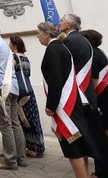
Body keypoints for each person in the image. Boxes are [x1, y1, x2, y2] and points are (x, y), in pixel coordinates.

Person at [59, 14, 108, 178]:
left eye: (62, 20)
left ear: (69, 24)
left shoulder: (70, 41)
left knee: (96, 138)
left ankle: (107, 172)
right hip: (87, 96)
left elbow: (66, 69)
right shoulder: (80, 39)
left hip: (80, 96)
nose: (60, 22)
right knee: (97, 137)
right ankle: (107, 171)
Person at [38, 21, 96, 178]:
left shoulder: (53, 49)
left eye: (39, 33)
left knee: (73, 146)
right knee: (78, 144)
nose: (37, 36)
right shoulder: (61, 47)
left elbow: (56, 79)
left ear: (47, 34)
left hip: (65, 105)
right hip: (71, 101)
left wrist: (51, 104)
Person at [0, 20, 27, 170]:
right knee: (14, 123)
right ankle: (21, 158)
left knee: (5, 125)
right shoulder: (3, 44)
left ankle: (10, 161)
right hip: (12, 87)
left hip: (2, 89)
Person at [81, 29, 108, 170]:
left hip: (100, 92)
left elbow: (93, 79)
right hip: (106, 89)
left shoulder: (92, 54)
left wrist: (90, 96)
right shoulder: (100, 52)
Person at [9, 34, 45, 157]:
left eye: (10, 44)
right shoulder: (25, 58)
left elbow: (10, 73)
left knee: (20, 119)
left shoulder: (14, 58)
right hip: (29, 91)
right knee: (33, 118)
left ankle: (24, 147)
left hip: (19, 92)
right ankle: (37, 146)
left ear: (14, 46)